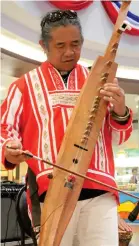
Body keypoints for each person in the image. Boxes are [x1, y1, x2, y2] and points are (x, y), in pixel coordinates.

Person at [1, 10, 133, 246]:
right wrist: (10, 147)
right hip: (50, 191)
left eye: (75, 44)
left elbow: (119, 135)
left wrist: (121, 109)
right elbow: (4, 129)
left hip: (100, 190)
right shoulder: (23, 86)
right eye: (60, 45)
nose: (69, 52)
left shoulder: (100, 80)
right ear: (44, 45)